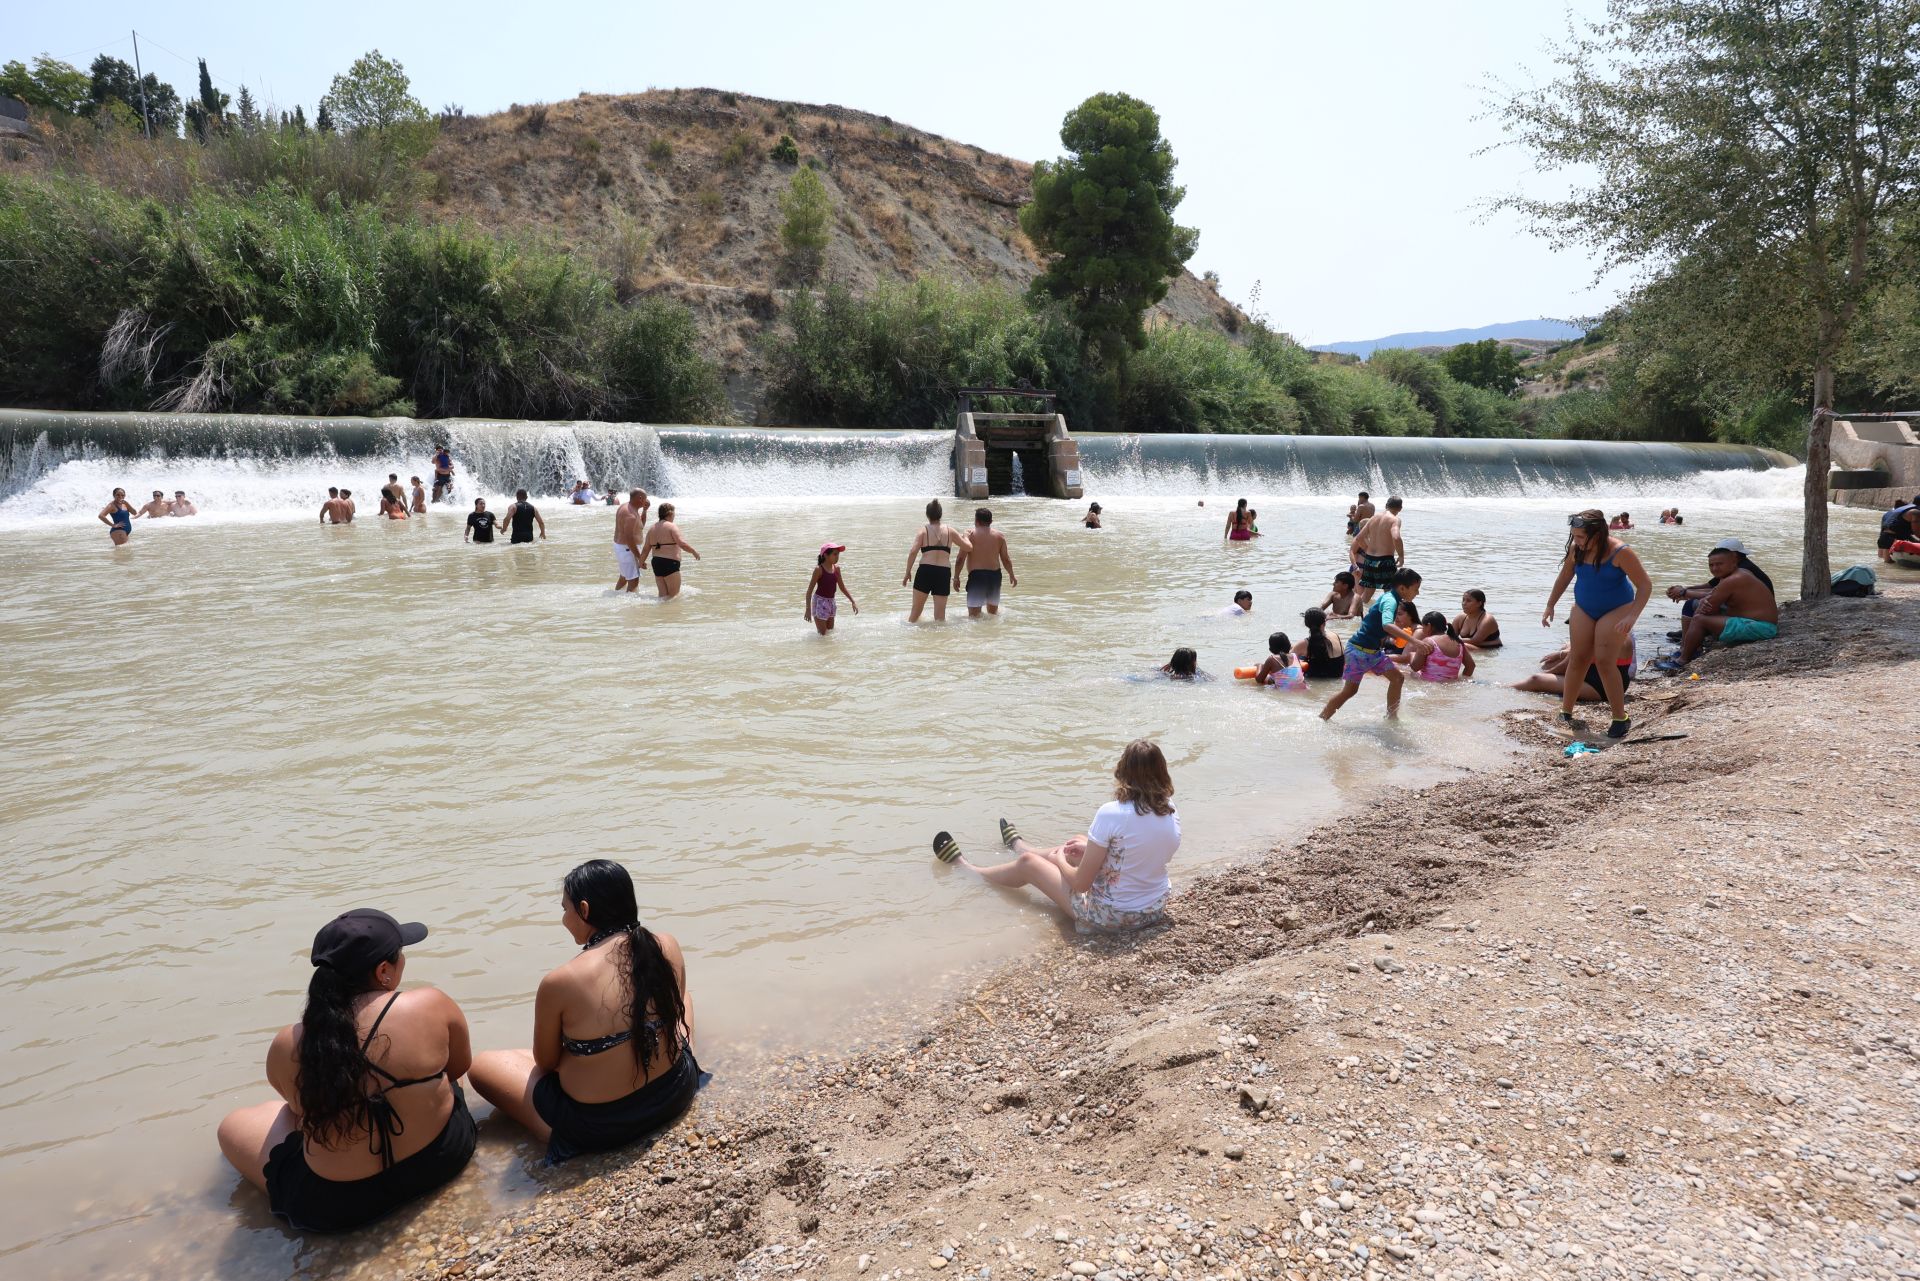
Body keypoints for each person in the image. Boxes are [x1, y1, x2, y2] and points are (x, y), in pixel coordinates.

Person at [215, 909, 475, 1232]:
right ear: (383, 971)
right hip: (441, 1159)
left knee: (239, 1124)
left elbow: (298, 1112)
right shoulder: (431, 1004)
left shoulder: (289, 1044)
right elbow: (459, 1068)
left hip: (338, 1207)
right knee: (441, 1068)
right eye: (400, 955)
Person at [468, 861, 701, 1165]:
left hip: (601, 1128)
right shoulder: (665, 944)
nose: (564, 919)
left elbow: (547, 1062)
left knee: (482, 1066)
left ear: (585, 909)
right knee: (682, 998)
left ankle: (559, 1130)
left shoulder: (561, 981)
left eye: (565, 909)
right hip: (674, 1092)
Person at [933, 740, 1179, 935]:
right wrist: (1081, 849)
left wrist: (1059, 859)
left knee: (1029, 863)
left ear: (1123, 771)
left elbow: (1080, 885)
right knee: (1078, 841)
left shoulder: (1111, 813)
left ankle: (969, 870)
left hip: (1112, 917)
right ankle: (1018, 845)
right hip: (1153, 908)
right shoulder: (1169, 809)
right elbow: (1138, 852)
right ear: (1161, 772)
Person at [1542, 509, 1652, 738]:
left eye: (1581, 537)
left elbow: (1645, 585)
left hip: (1617, 609)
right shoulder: (1577, 550)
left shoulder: (1621, 552)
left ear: (1598, 534)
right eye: (1574, 536)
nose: (1577, 541)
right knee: (1578, 658)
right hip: (1584, 608)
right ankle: (1566, 711)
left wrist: (1632, 615)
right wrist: (1550, 605)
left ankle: (1620, 718)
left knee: (1603, 661)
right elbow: (1564, 578)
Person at [1320, 566, 1428, 721]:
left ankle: (1392, 718)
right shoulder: (1390, 600)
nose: (1417, 593)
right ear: (1403, 588)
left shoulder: (1391, 598)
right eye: (1416, 589)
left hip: (1373, 652)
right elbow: (1386, 625)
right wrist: (1415, 641)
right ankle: (1322, 718)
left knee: (1397, 679)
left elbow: (1379, 627)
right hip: (1358, 651)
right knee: (1349, 691)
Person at [1655, 544, 1781, 670]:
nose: (1715, 568)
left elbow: (1708, 607)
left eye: (1719, 564)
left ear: (1734, 562)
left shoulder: (1734, 579)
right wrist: (1704, 600)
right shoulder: (1738, 573)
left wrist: (1696, 599)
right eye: (1711, 565)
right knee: (1699, 612)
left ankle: (1682, 661)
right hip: (1757, 623)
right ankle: (1690, 648)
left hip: (1762, 628)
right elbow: (1713, 595)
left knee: (1699, 620)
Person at [1664, 537, 1776, 635]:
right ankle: (1689, 634)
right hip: (1754, 611)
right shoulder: (1735, 566)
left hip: (1752, 615)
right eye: (1712, 564)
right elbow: (1711, 586)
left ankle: (1687, 639)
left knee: (1693, 605)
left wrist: (1683, 592)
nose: (1715, 567)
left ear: (1733, 556)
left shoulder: (1741, 570)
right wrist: (1684, 589)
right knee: (1701, 604)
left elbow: (1716, 592)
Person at [902, 498, 970, 622]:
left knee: (915, 612)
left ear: (927, 515)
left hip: (925, 571)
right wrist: (965, 536)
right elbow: (968, 547)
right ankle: (940, 641)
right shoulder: (950, 531)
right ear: (940, 514)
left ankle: (910, 639)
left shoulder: (923, 530)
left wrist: (907, 572)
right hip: (943, 573)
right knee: (940, 617)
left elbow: (913, 551)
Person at [1512, 637, 1638, 702]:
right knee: (1564, 648)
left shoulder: (1592, 637)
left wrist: (1545, 673)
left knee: (1536, 679)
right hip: (1617, 684)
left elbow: (1567, 666)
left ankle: (1506, 688)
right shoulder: (1619, 631)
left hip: (1601, 689)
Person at [1349, 497, 1405, 608]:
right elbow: (1396, 537)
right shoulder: (1394, 519)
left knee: (1368, 592)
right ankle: (1392, 619)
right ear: (1400, 508)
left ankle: (1355, 613)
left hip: (1369, 560)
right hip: (1385, 560)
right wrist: (1401, 555)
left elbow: (1359, 538)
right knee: (1391, 592)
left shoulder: (1373, 518)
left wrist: (1369, 549)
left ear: (1386, 505)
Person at [961, 508, 1018, 617]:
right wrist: (1012, 575)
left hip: (976, 577)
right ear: (991, 522)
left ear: (976, 521)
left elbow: (960, 559)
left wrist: (956, 577)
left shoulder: (969, 536)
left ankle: (979, 634)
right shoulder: (1000, 536)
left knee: (974, 617)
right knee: (993, 615)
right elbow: (1006, 559)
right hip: (994, 577)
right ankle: (993, 633)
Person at [643, 502, 700, 599]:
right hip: (669, 563)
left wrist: (641, 562)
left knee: (662, 596)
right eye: (674, 513)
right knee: (674, 597)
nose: (674, 515)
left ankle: (660, 613)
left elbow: (645, 549)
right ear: (669, 513)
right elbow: (681, 543)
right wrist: (693, 551)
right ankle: (670, 614)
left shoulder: (651, 528)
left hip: (656, 563)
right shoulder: (671, 526)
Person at [805, 541, 860, 633]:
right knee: (822, 634)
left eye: (838, 554)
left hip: (831, 602)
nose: (837, 557)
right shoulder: (819, 570)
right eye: (835, 554)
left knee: (830, 632)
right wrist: (808, 610)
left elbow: (842, 587)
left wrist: (852, 601)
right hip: (820, 602)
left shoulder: (837, 569)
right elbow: (809, 591)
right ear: (826, 555)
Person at [1410, 612, 1475, 682]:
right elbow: (1471, 666)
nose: (1422, 631)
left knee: (1407, 672)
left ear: (1429, 626)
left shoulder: (1428, 642)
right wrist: (1461, 680)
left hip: (1430, 685)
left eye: (1423, 627)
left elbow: (1415, 667)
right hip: (1451, 685)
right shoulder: (1458, 642)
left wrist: (1411, 655)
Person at [612, 489, 650, 593]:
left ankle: (615, 598)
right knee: (633, 581)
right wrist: (640, 557)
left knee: (624, 577)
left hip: (622, 548)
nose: (647, 500)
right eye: (645, 498)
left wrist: (645, 511)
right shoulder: (630, 515)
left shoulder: (627, 507)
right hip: (627, 549)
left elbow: (640, 526)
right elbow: (629, 538)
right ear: (640, 498)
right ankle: (632, 607)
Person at [1293, 608, 1346, 680]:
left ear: (1306, 624)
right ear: (1324, 622)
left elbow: (1285, 661)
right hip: (1337, 678)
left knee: (1299, 656)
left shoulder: (1304, 643)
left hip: (1314, 682)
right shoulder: (1336, 636)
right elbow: (1343, 659)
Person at [1879, 497, 1920, 561]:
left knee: (1887, 566)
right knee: (1890, 566)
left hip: (1883, 539)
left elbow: (1888, 530)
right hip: (1893, 540)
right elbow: (1917, 532)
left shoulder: (1890, 513)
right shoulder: (1915, 512)